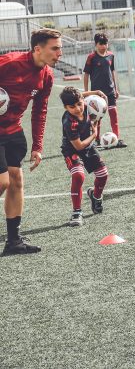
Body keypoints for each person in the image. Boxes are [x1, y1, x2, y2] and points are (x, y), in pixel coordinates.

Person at [0, 28, 60, 255]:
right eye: (55, 48)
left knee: (16, 181)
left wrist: (37, 146)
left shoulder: (47, 75)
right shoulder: (9, 63)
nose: (59, 53)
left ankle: (13, 242)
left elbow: (40, 111)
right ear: (38, 49)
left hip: (13, 131)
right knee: (2, 182)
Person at [59, 87, 110, 227]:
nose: (77, 109)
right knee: (78, 176)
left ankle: (96, 196)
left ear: (83, 100)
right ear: (65, 107)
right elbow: (79, 146)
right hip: (72, 150)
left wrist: (96, 93)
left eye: (79, 104)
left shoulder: (87, 105)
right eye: (72, 107)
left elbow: (80, 95)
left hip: (88, 147)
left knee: (103, 175)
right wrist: (94, 134)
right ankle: (77, 212)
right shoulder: (69, 122)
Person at [82, 33, 126, 147]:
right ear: (96, 44)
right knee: (97, 118)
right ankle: (96, 140)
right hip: (97, 94)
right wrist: (86, 93)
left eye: (105, 44)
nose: (103, 46)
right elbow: (86, 75)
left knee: (114, 115)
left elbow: (112, 72)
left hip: (110, 91)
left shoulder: (111, 55)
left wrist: (115, 89)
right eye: (100, 44)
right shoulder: (91, 57)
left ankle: (116, 139)